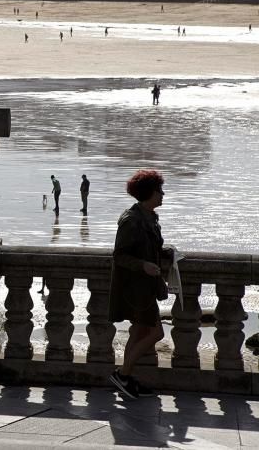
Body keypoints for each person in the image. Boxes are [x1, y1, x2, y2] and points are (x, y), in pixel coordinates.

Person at [108, 169, 167, 400]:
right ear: (149, 193)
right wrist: (143, 265)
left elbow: (149, 247)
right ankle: (121, 374)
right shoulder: (131, 220)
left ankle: (126, 377)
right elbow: (119, 256)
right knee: (156, 332)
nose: (163, 194)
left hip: (145, 286)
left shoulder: (149, 216)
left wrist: (165, 252)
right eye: (159, 191)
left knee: (140, 330)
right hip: (136, 289)